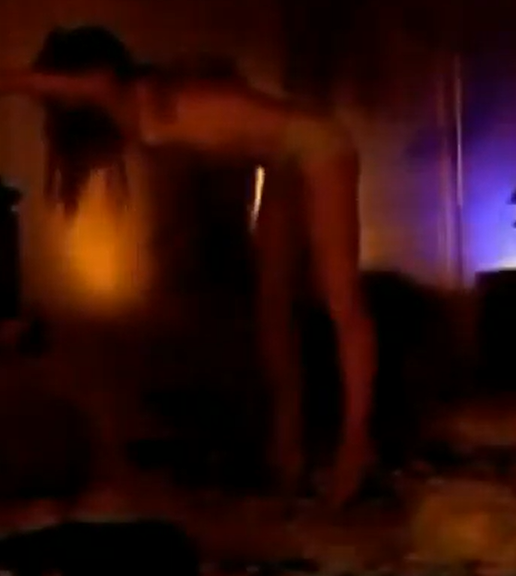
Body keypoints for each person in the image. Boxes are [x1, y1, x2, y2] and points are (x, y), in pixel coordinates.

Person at [21, 25, 377, 507]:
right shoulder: (135, 109)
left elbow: (81, 85)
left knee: (341, 299)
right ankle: (287, 449)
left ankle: (355, 447)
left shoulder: (135, 97)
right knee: (272, 307)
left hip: (317, 145)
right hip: (280, 159)